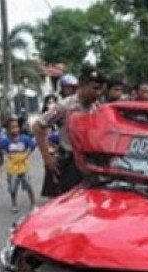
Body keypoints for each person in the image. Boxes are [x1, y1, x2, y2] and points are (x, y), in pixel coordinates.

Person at [33, 65, 106, 195]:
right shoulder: (65, 106)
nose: (98, 93)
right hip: (70, 163)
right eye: (95, 88)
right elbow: (38, 126)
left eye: (101, 89)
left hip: (90, 162)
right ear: (83, 85)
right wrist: (47, 158)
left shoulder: (97, 107)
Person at [0, 118, 36, 213]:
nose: (14, 129)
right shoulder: (5, 140)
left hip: (23, 166)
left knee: (28, 184)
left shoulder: (25, 138)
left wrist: (27, 154)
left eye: (16, 127)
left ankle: (33, 203)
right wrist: (7, 155)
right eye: (12, 127)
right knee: (12, 186)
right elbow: (1, 148)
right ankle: (14, 204)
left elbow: (32, 146)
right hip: (12, 167)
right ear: (8, 129)